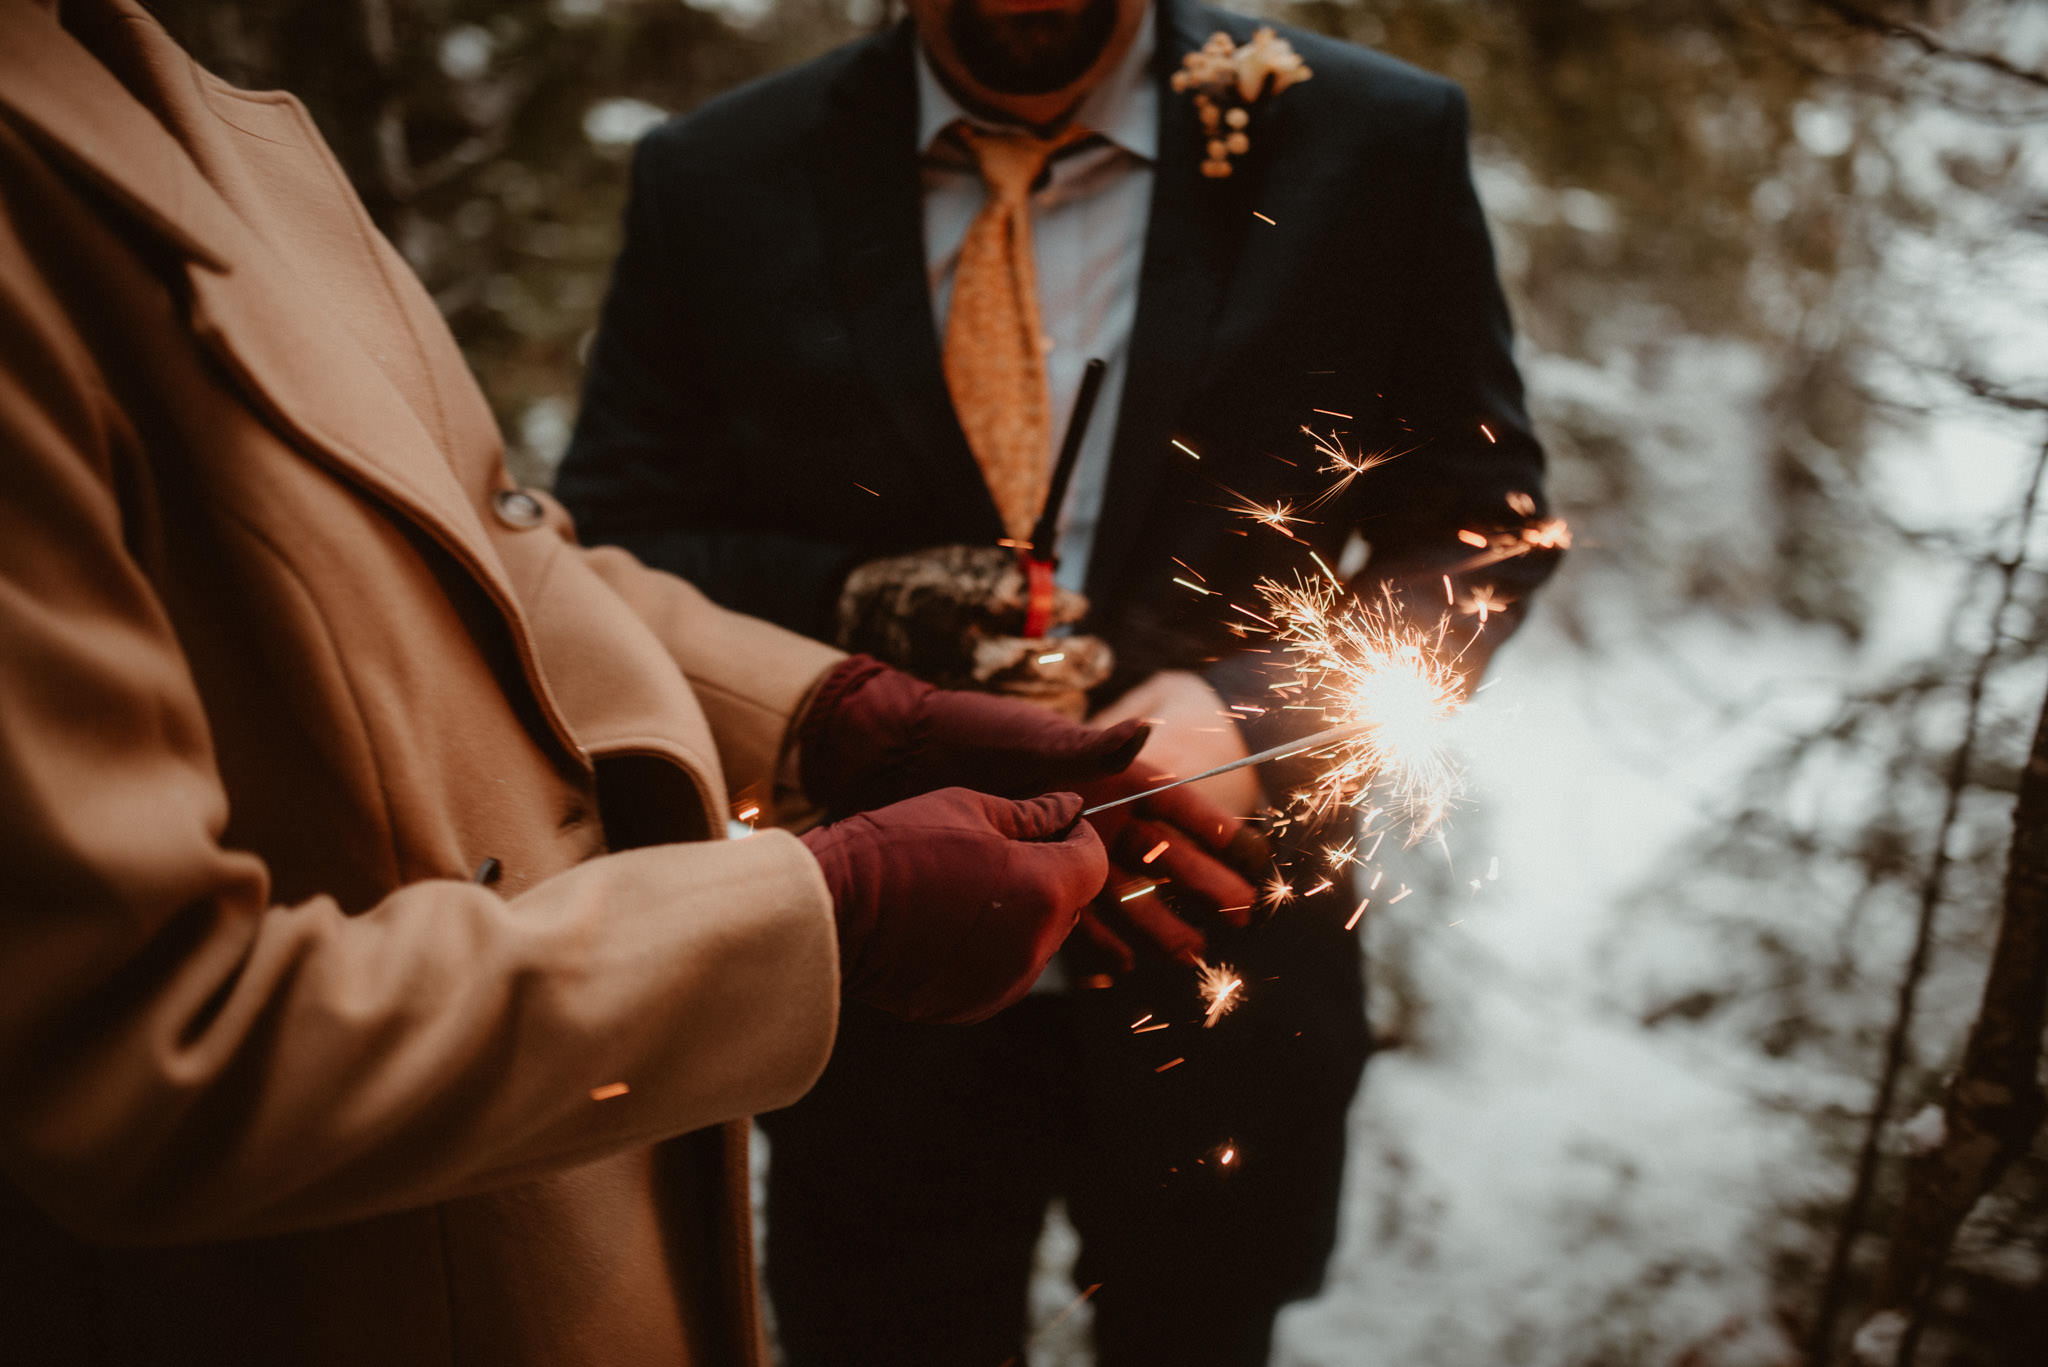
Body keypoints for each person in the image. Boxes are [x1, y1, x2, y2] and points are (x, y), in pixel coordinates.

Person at [0, 1, 1259, 1363]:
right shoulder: (717, 170)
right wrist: (827, 908)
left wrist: (830, 716)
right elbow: (138, 1056)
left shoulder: (182, 102)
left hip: (574, 1196)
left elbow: (498, 547)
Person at [558, 0, 1563, 1361]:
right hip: (869, 967)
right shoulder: (721, 173)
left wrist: (1252, 719)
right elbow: (610, 547)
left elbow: (1486, 525)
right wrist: (851, 614)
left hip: (1224, 942)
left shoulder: (1366, 139)